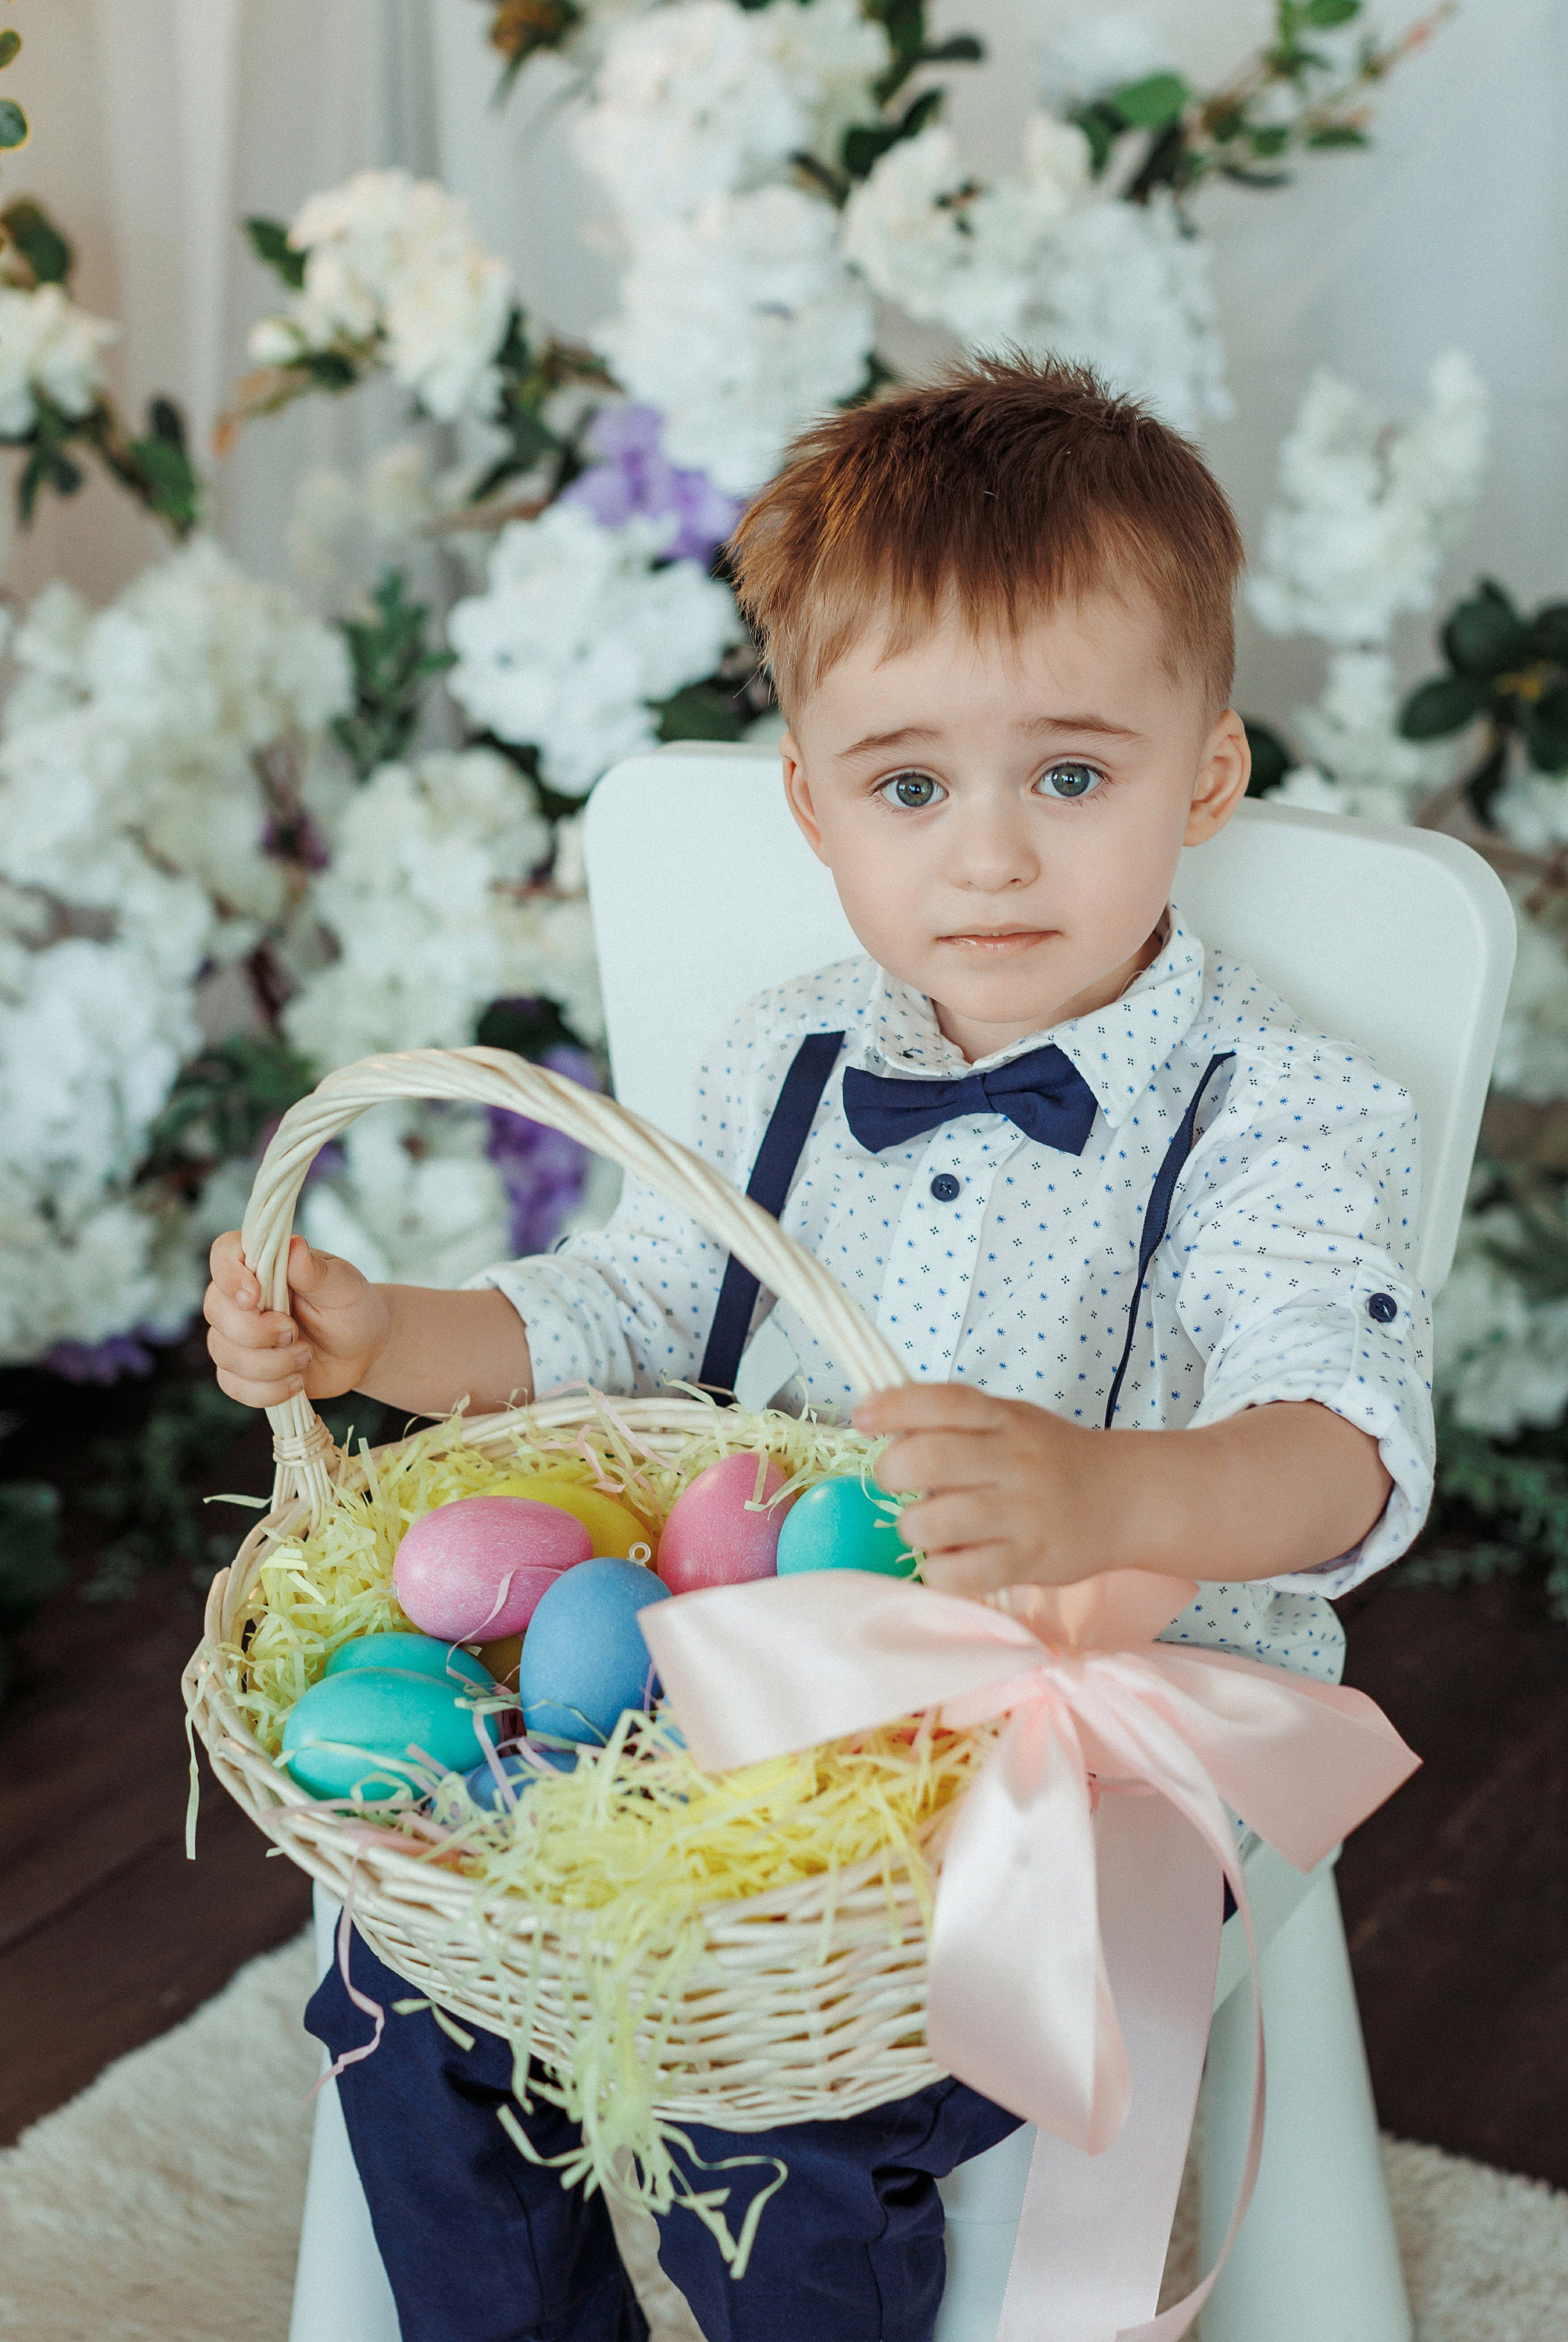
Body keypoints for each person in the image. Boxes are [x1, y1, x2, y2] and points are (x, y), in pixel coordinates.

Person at [204, 357, 1434, 2342]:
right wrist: (387, 1333)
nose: (991, 857)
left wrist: (1114, 1489)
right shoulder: (777, 1057)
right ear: (813, 802)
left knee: (801, 2112)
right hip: (749, 1696)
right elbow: (623, 1318)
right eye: (911, 785)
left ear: (1207, 775)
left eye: (1073, 773)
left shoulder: (1274, 1107)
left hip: (1085, 1742)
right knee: (413, 1978)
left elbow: (1347, 1438)